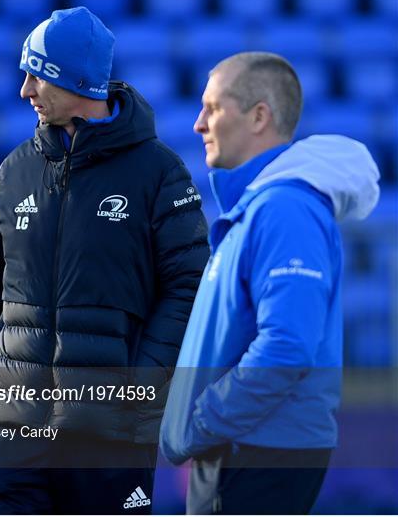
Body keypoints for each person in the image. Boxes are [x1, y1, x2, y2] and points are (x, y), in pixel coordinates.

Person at [0, 6, 209, 514]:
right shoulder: (15, 170)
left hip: (108, 435)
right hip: (11, 431)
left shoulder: (159, 174)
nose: (25, 90)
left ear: (78, 81)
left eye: (37, 75)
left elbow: (189, 287)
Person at [159, 52, 380, 514]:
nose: (199, 124)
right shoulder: (262, 207)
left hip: (252, 451)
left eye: (214, 108)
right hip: (243, 449)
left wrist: (203, 420)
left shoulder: (285, 209)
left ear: (259, 115)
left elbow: (287, 345)